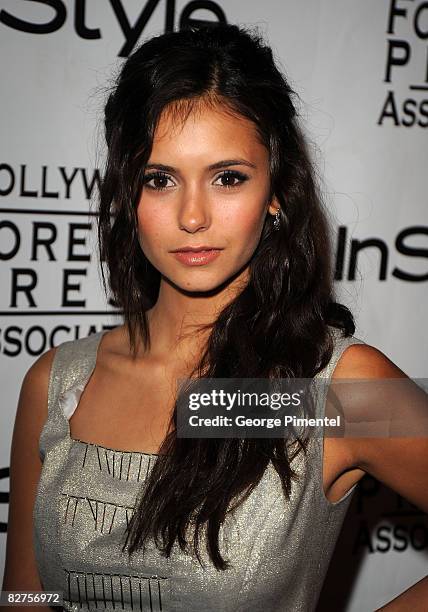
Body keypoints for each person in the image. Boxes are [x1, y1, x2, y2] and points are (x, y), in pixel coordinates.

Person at [2, 23, 427, 612]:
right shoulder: (57, 383)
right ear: (127, 193)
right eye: (160, 178)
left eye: (228, 177)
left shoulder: (335, 392)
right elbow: (24, 596)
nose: (193, 215)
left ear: (276, 190)